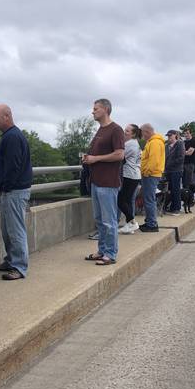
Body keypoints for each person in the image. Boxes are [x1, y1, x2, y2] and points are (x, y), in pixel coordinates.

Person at [0, 103, 32, 280]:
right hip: (11, 190)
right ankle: (11, 261)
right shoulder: (10, 135)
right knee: (8, 230)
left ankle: (19, 267)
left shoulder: (13, 137)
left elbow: (13, 166)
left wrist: (4, 185)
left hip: (14, 191)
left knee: (15, 230)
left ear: (7, 116)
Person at [82, 99, 124, 265]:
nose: (92, 111)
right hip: (96, 181)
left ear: (106, 109)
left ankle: (110, 254)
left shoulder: (116, 130)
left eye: (95, 109)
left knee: (109, 221)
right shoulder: (101, 130)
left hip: (108, 183)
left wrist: (95, 159)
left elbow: (120, 154)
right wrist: (88, 158)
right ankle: (102, 251)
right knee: (99, 220)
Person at [138, 124, 164, 232]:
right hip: (151, 174)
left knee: (149, 199)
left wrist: (146, 172)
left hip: (151, 175)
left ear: (146, 132)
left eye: (142, 133)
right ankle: (150, 221)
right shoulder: (152, 142)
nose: (141, 136)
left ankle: (152, 224)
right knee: (149, 199)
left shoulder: (155, 143)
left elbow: (154, 161)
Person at [118, 124, 142, 234]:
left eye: (127, 131)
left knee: (120, 200)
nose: (124, 132)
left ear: (133, 134)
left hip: (130, 175)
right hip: (134, 175)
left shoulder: (130, 144)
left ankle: (132, 223)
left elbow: (119, 157)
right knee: (127, 200)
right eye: (125, 130)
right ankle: (129, 225)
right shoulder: (135, 143)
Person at [164, 130, 185, 215]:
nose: (169, 137)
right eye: (168, 136)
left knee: (176, 189)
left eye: (170, 135)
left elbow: (181, 157)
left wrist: (170, 163)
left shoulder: (179, 144)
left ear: (175, 135)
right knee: (170, 189)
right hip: (168, 170)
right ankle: (172, 206)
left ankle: (177, 208)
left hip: (176, 170)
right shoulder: (167, 146)